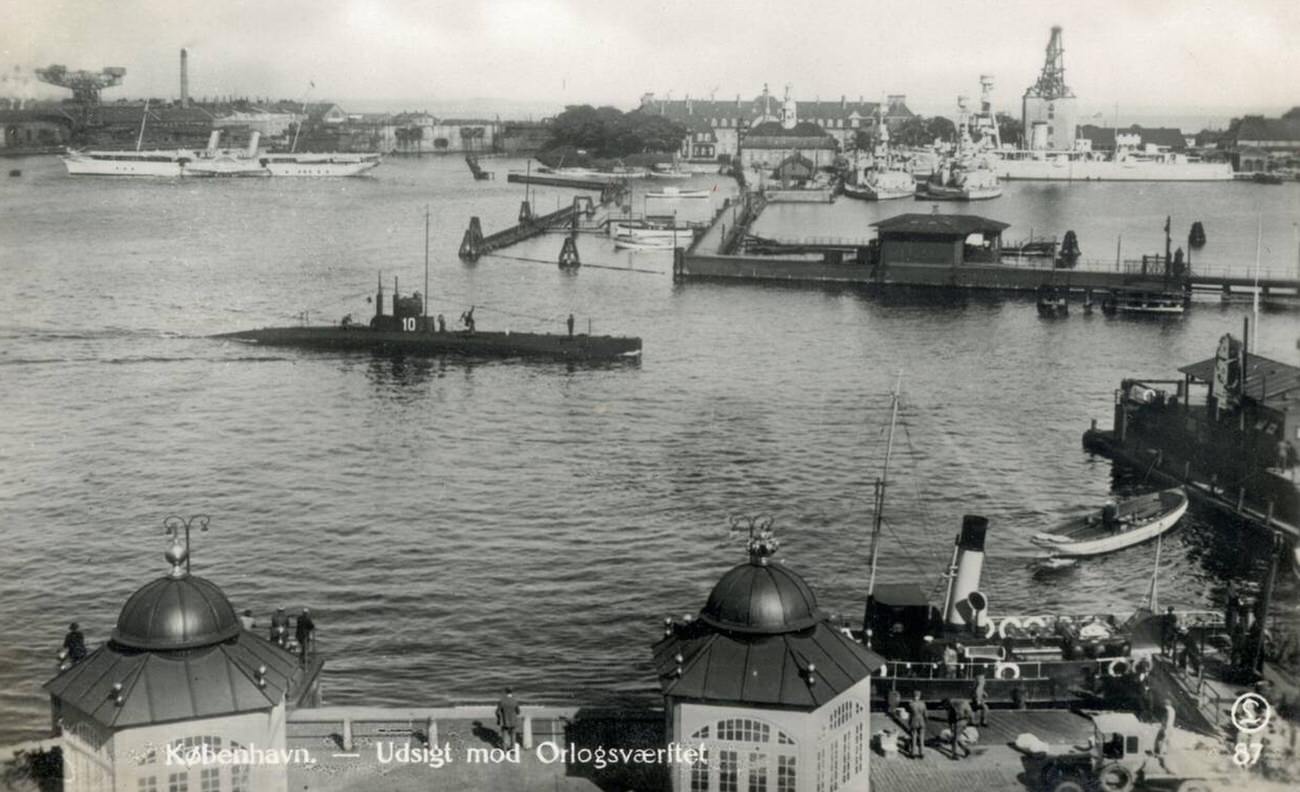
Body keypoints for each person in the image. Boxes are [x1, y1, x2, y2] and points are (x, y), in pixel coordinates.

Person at [906, 690, 928, 759]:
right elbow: (926, 715)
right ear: (919, 696)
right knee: (921, 738)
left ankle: (913, 753)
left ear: (913, 696)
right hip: (921, 721)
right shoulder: (923, 704)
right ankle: (921, 753)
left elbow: (909, 714)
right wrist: (925, 721)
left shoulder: (911, 704)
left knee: (914, 737)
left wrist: (909, 722)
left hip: (914, 721)